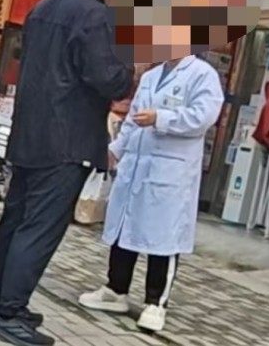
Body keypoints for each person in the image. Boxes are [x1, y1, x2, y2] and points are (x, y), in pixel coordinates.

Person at [0, 0, 133, 345]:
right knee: (40, 228)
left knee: (17, 219)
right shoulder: (95, 15)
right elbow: (109, 78)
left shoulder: (42, 8)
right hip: (68, 139)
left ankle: (2, 298)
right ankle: (8, 310)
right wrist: (128, 64)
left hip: (29, 134)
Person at [78, 55, 224, 332]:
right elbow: (132, 122)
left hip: (169, 172)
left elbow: (203, 118)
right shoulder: (150, 76)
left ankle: (156, 303)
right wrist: (115, 150)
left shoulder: (202, 75)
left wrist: (161, 118)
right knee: (124, 228)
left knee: (164, 238)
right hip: (136, 165)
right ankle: (116, 289)